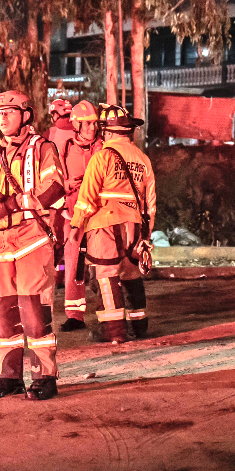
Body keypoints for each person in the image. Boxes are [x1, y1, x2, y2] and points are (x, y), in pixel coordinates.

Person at [0, 90, 64, 401]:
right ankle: (9, 376)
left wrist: (12, 203)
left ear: (26, 115)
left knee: (34, 312)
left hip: (32, 240)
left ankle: (44, 377)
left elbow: (55, 189)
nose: (3, 116)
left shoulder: (44, 149)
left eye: (10, 111)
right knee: (2, 315)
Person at [69, 105, 156, 343]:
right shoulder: (143, 159)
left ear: (107, 132)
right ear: (128, 131)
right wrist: (146, 235)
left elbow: (87, 198)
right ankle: (139, 327)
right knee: (130, 275)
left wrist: (76, 227)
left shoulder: (102, 157)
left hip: (104, 224)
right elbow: (150, 203)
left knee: (106, 276)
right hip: (134, 226)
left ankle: (114, 331)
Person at [52, 100, 101, 331]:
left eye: (94, 124)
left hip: (100, 217)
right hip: (73, 217)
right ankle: (75, 315)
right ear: (77, 125)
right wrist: (67, 183)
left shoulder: (103, 147)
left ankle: (109, 312)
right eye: (87, 124)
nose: (92, 128)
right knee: (73, 267)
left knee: (104, 266)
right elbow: (54, 178)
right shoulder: (64, 147)